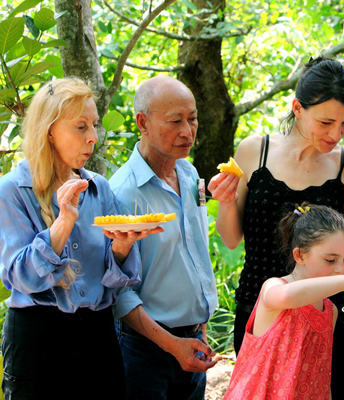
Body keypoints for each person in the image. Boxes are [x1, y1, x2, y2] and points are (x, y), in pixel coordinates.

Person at [208, 57, 344, 398]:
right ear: (297, 108)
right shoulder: (254, 151)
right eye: (326, 122)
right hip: (260, 309)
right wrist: (224, 200)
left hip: (324, 315)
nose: (335, 134)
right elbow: (231, 238)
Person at [0, 78, 157, 399]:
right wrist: (63, 221)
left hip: (99, 333)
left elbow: (119, 280)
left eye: (95, 126)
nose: (93, 138)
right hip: (37, 338)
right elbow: (19, 277)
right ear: (49, 130)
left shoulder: (99, 187)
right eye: (81, 127)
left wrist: (124, 245)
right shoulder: (12, 190)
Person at [109, 76, 218, 399]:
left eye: (193, 118)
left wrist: (199, 326)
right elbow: (118, 292)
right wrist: (172, 345)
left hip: (193, 340)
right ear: (143, 123)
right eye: (175, 121)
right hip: (146, 349)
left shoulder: (188, 173)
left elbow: (194, 255)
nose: (188, 131)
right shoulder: (122, 192)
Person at [224, 204, 344, 399]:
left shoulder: (329, 310)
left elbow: (322, 375)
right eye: (330, 260)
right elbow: (287, 297)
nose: (340, 269)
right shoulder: (273, 288)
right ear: (299, 255)